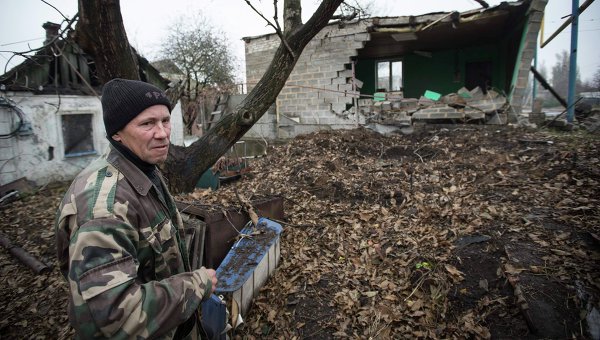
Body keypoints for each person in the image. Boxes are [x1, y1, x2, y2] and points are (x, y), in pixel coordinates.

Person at [55, 78, 218, 339]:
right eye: (147, 124)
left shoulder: (141, 168)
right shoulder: (104, 208)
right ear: (117, 133)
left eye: (165, 120)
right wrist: (196, 285)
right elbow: (117, 315)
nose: (163, 133)